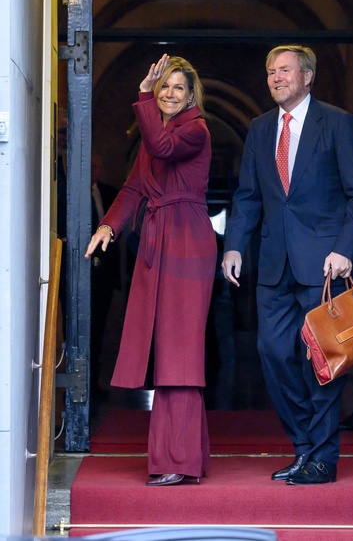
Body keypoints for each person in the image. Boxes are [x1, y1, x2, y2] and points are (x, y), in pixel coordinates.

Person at [221, 45, 353, 485]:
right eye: (271, 71)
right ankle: (304, 446)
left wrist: (345, 249)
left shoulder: (338, 124)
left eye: (285, 70)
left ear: (307, 76)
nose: (276, 77)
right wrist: (234, 246)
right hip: (274, 266)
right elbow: (249, 196)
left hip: (325, 267)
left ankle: (322, 458)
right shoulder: (259, 128)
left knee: (320, 360)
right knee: (272, 353)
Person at [85, 54, 217, 486]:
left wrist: (142, 95)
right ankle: (183, 457)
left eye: (179, 88)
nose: (170, 94)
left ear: (191, 96)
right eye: (164, 87)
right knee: (167, 352)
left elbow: (163, 148)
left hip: (187, 242)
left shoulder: (195, 130)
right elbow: (134, 187)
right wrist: (108, 225)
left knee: (181, 354)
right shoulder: (153, 135)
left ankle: (177, 458)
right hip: (157, 243)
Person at [90, 153, 121, 396]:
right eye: (91, 166)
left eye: (98, 167)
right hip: (82, 275)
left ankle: (94, 384)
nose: (94, 171)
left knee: (100, 330)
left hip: (105, 278)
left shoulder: (110, 194)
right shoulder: (72, 193)